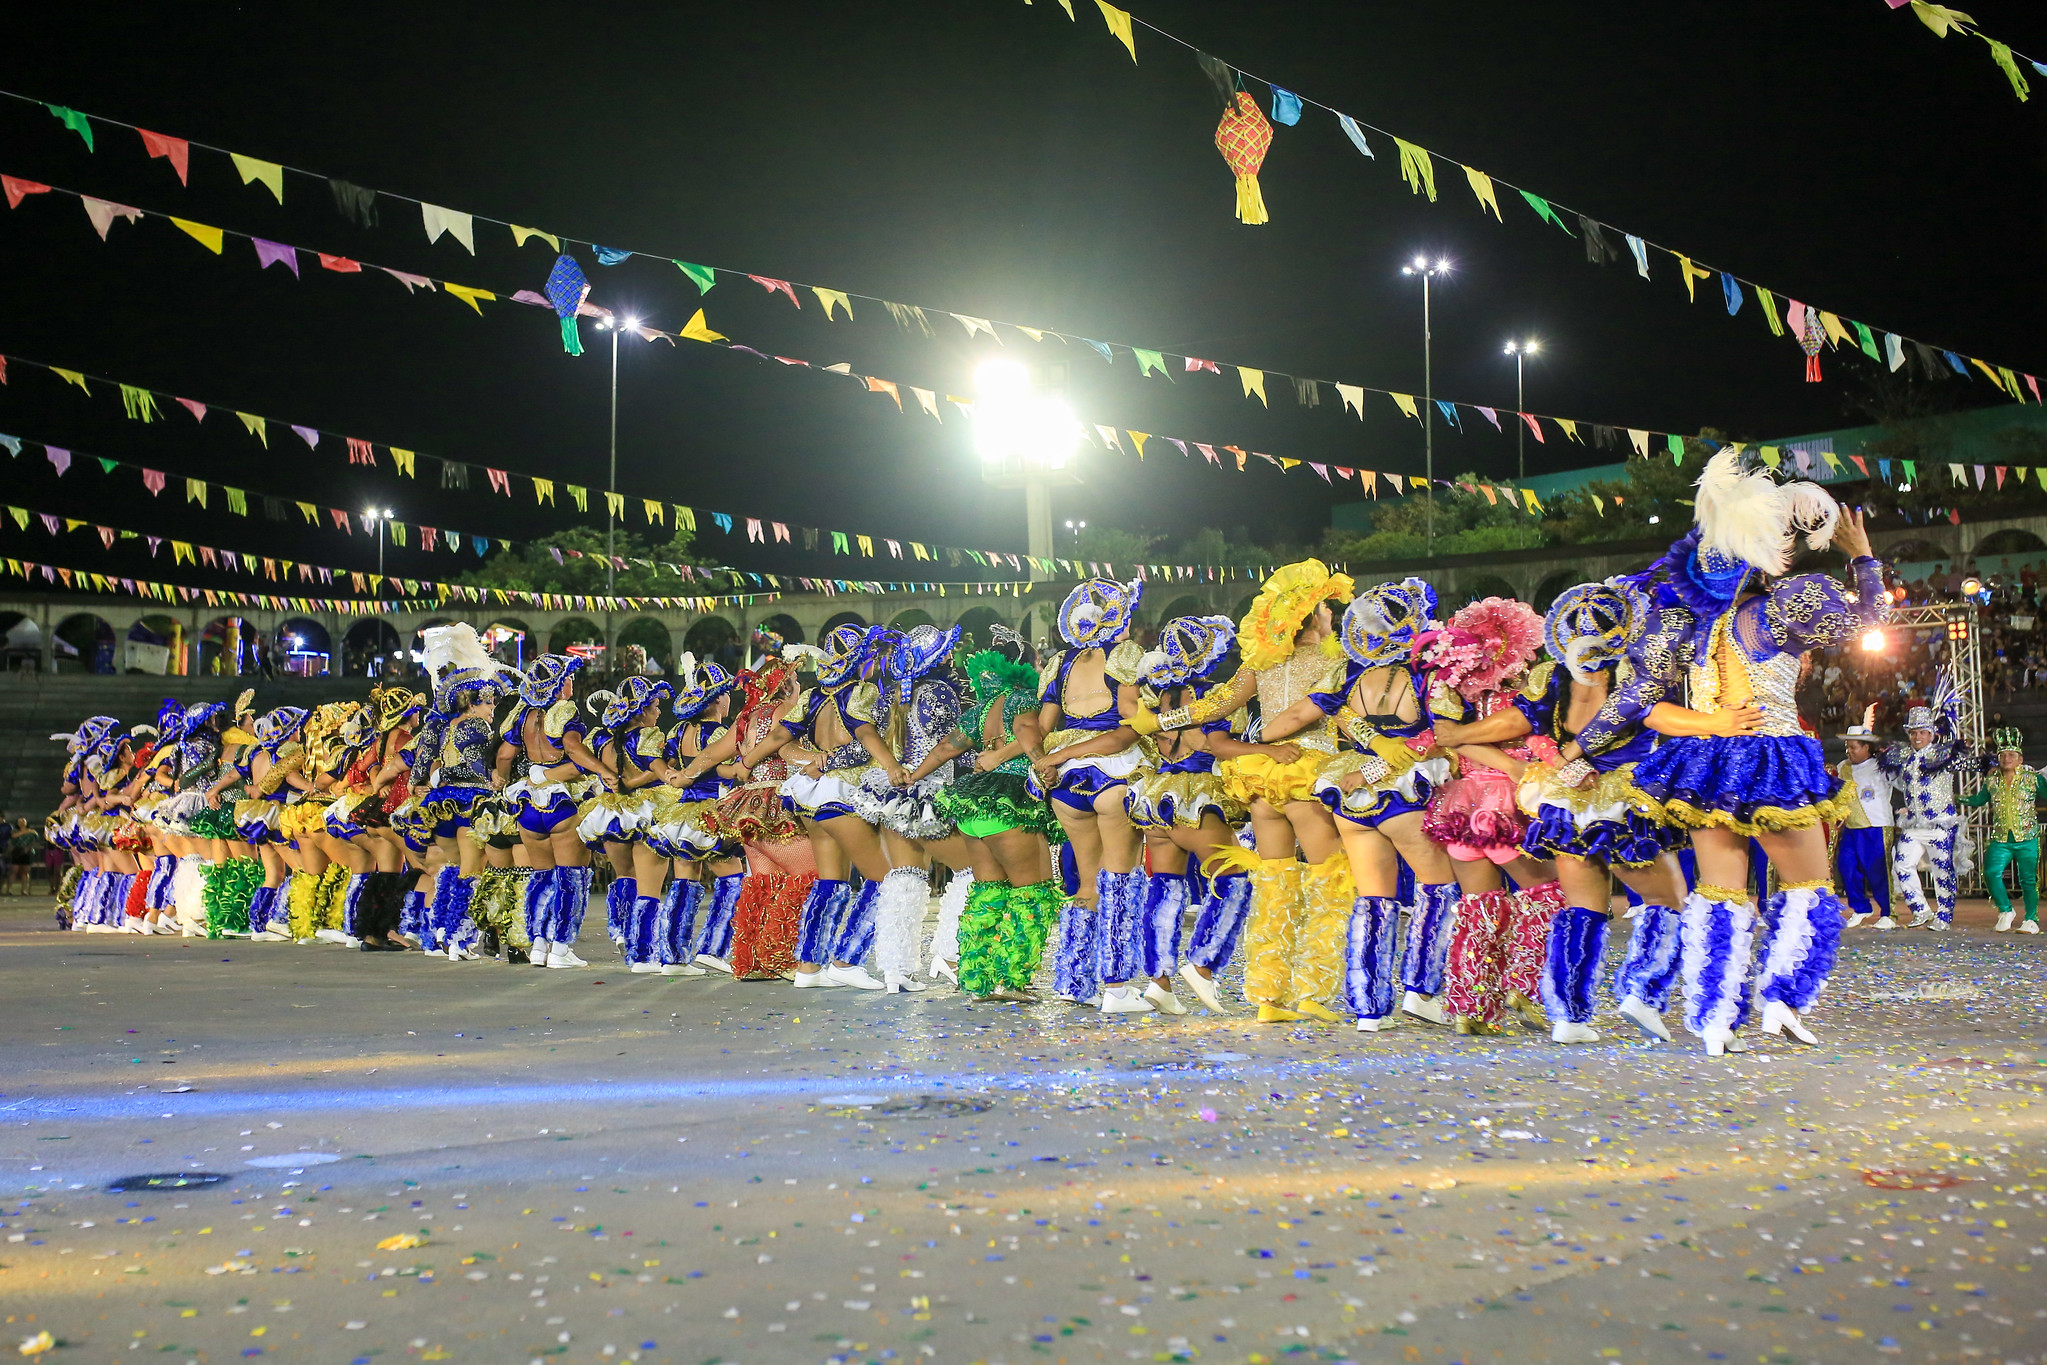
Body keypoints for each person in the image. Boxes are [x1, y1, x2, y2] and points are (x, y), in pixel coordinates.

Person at [1618, 451, 1886, 1054]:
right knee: (1811, 887)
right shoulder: (1786, 607)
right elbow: (1873, 617)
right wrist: (1861, 554)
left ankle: (1714, 1020)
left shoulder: (1697, 625)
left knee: (1720, 894)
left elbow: (1643, 702)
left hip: (1709, 760)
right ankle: (1784, 998)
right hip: (1774, 759)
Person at [1129, 560, 1355, 1025]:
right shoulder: (1334, 663)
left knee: (1274, 885)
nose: (1332, 617)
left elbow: (1213, 706)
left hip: (1260, 780)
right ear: (1313, 617)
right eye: (1327, 610)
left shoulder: (1259, 666)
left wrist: (1156, 722)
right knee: (1331, 882)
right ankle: (1314, 993)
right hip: (1305, 774)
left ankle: (1268, 998)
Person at [1123, 615, 1298, 1015]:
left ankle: (1159, 982)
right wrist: (1269, 752)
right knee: (1235, 882)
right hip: (1196, 799)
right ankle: (1202, 966)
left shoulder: (1156, 697)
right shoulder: (1212, 695)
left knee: (1164, 889)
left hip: (1153, 799)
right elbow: (1219, 746)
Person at [1411, 598, 1567, 1037]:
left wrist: (1461, 739)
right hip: (1506, 800)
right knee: (1548, 891)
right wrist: (1518, 767)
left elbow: (1442, 738)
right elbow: (1521, 725)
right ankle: (1527, 987)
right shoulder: (1533, 685)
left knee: (1478, 904)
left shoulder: (1451, 685)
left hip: (1461, 800)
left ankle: (1470, 1006)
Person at [1029, 579, 1156, 1014]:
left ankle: (1072, 980)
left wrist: (1046, 758)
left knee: (1086, 883)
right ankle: (1117, 989)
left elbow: (1039, 726)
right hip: (1111, 775)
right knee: (1119, 879)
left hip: (1066, 784)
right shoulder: (1123, 657)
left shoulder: (1060, 662)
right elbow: (1126, 728)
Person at [914, 633, 1063, 1002]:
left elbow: (947, 748)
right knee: (1033, 892)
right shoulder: (1024, 698)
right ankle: (1010, 979)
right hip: (1009, 802)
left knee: (988, 892)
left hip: (973, 807)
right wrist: (1038, 760)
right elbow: (1031, 732)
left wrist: (912, 777)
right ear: (1025, 666)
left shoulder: (982, 710)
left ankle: (978, 978)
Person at [1878, 679, 1973, 930]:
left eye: (1922, 732)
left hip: (1940, 824)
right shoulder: (1905, 758)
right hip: (1914, 824)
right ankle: (1921, 910)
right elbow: (1900, 784)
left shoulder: (1943, 755)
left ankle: (1944, 915)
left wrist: (1976, 760)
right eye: (1913, 732)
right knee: (1901, 864)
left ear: (1931, 734)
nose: (1917, 737)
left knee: (1942, 869)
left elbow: (1966, 763)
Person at [1963, 727, 2045, 933]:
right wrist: (1956, 799)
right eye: (2003, 755)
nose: (2007, 758)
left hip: (2027, 837)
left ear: (2020, 758)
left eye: (2011, 755)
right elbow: (1979, 800)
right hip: (2001, 838)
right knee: (1990, 872)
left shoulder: (2033, 778)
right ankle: (2006, 910)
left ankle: (2031, 919)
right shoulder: (1992, 780)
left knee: (2028, 879)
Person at [1834, 707, 1897, 929]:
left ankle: (1889, 913)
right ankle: (1861, 908)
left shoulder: (1882, 766)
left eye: (1853, 747)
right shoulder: (1843, 768)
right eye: (1847, 747)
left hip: (1876, 825)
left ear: (1866, 747)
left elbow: (1904, 783)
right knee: (1846, 866)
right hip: (1852, 827)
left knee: (1877, 871)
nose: (1849, 751)